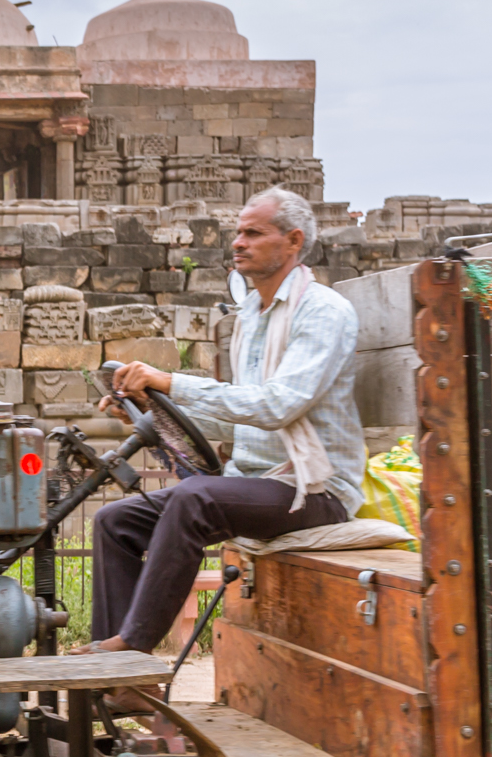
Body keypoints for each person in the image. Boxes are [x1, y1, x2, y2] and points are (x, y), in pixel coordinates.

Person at [82, 186, 366, 657]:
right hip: (255, 482)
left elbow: (276, 407)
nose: (238, 242)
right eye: (238, 232)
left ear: (293, 241)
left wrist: (172, 383)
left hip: (315, 491)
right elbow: (241, 422)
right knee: (116, 521)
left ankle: (131, 649)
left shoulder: (323, 312)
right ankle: (117, 681)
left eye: (253, 233)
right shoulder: (251, 316)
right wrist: (151, 406)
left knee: (195, 498)